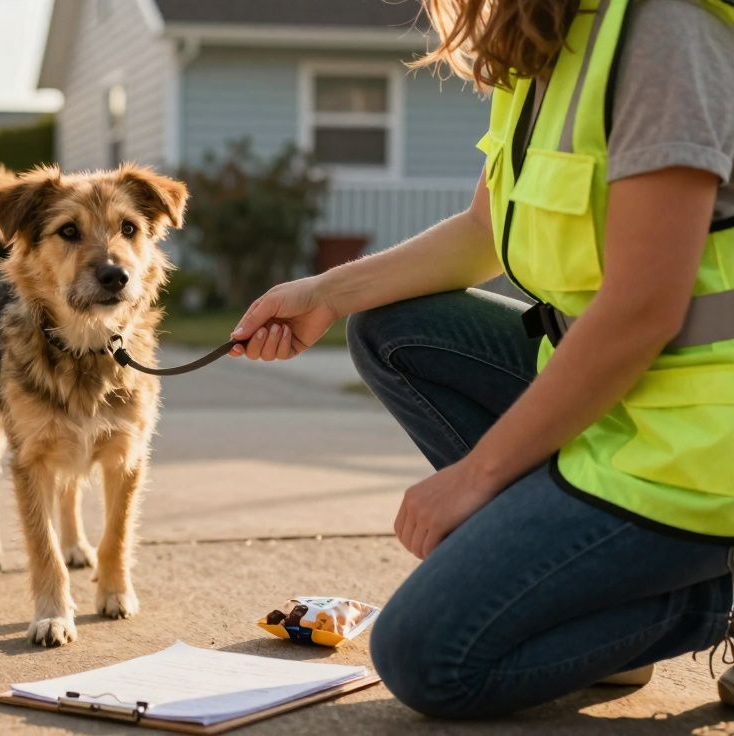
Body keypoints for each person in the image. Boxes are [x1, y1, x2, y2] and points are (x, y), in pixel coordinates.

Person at [229, 0, 734, 718]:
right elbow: (482, 232)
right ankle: (610, 621)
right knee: (392, 328)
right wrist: (325, 294)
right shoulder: (547, 44)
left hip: (699, 448)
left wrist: (476, 476)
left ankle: (713, 595)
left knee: (426, 657)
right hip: (613, 406)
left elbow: (642, 309)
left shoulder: (663, 31)